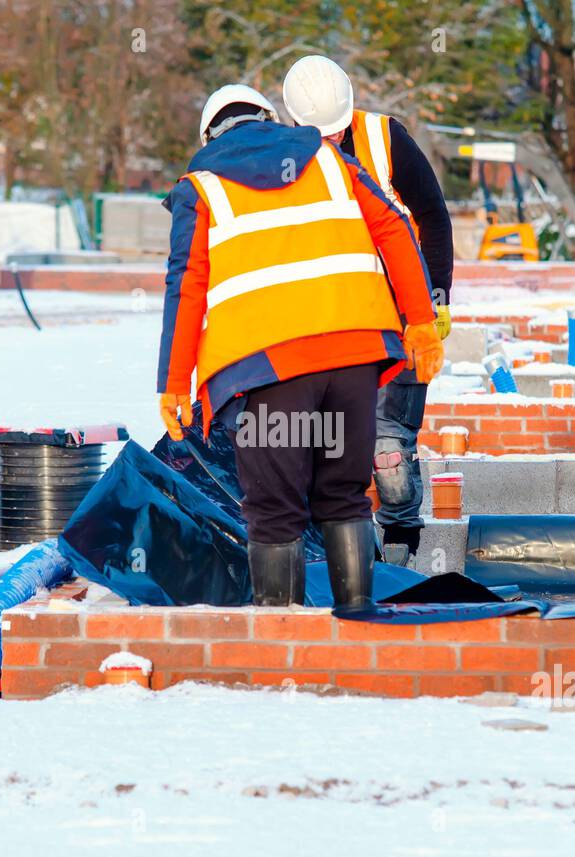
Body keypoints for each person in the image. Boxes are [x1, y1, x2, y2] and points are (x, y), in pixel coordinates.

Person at [157, 84, 443, 609]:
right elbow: (397, 228)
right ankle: (357, 629)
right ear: (271, 117)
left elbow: (187, 284)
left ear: (208, 135)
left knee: (275, 510)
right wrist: (421, 321)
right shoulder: (331, 160)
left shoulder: (201, 189)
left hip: (270, 371)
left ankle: (283, 653)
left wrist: (174, 385)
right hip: (354, 359)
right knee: (343, 497)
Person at [283, 54, 454, 568]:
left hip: (400, 320)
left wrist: (436, 305)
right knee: (322, 443)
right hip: (329, 326)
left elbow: (434, 218)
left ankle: (400, 554)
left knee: (389, 446)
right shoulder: (284, 162)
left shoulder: (384, 139)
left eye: (337, 132)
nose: (331, 142)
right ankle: (345, 559)